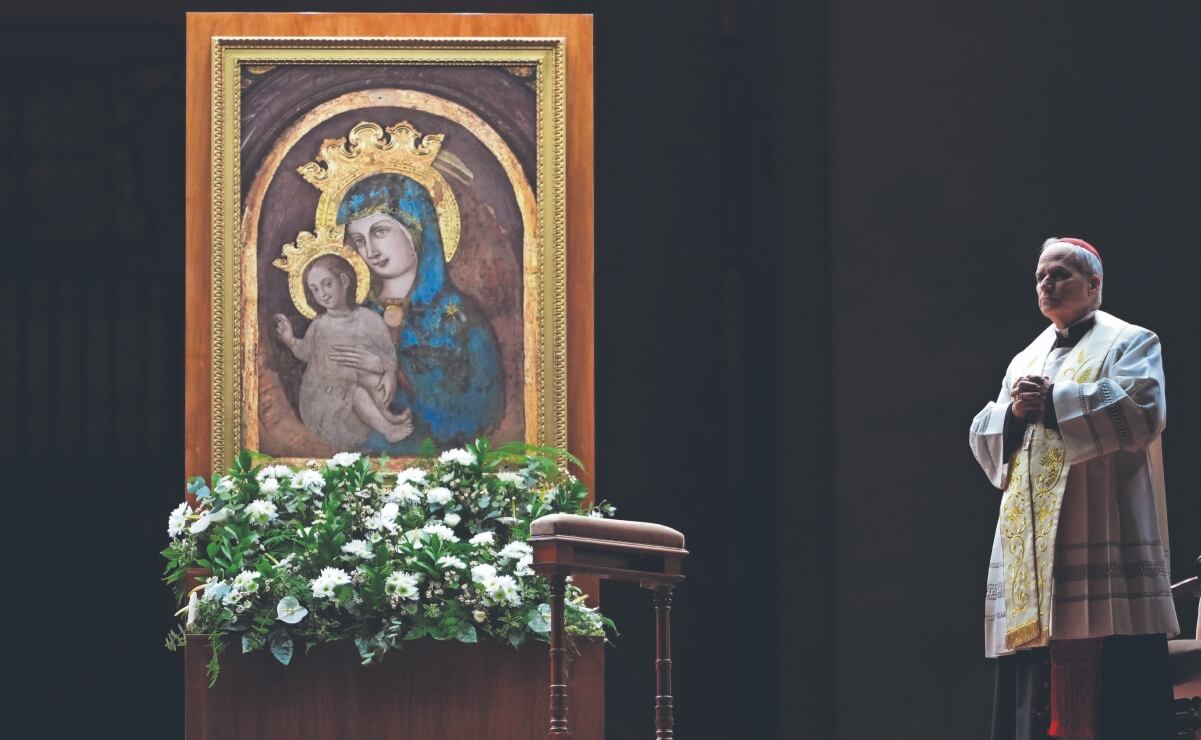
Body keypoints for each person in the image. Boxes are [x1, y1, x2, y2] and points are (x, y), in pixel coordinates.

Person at [969, 237, 1178, 739]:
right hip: (1033, 556)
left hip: (1101, 526)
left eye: (1060, 274)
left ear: (1094, 285)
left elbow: (1144, 411)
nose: (1047, 284)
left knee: (1116, 697)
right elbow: (985, 432)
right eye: (1040, 276)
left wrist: (1057, 402)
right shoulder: (1025, 358)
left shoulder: (1130, 341)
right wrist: (1012, 416)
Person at [334, 172, 504, 454]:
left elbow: (486, 406)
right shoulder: (355, 317)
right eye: (359, 240)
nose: (370, 251)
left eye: (380, 232)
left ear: (415, 228)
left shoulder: (460, 317)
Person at [274, 254, 414, 449]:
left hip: (353, 386)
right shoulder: (319, 325)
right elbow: (306, 353)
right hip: (324, 398)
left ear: (344, 281)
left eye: (327, 284)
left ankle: (388, 417)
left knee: (374, 382)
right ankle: (388, 430)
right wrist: (290, 340)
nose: (322, 293)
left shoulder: (370, 319)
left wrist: (389, 373)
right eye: (315, 289)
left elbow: (387, 353)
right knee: (358, 393)